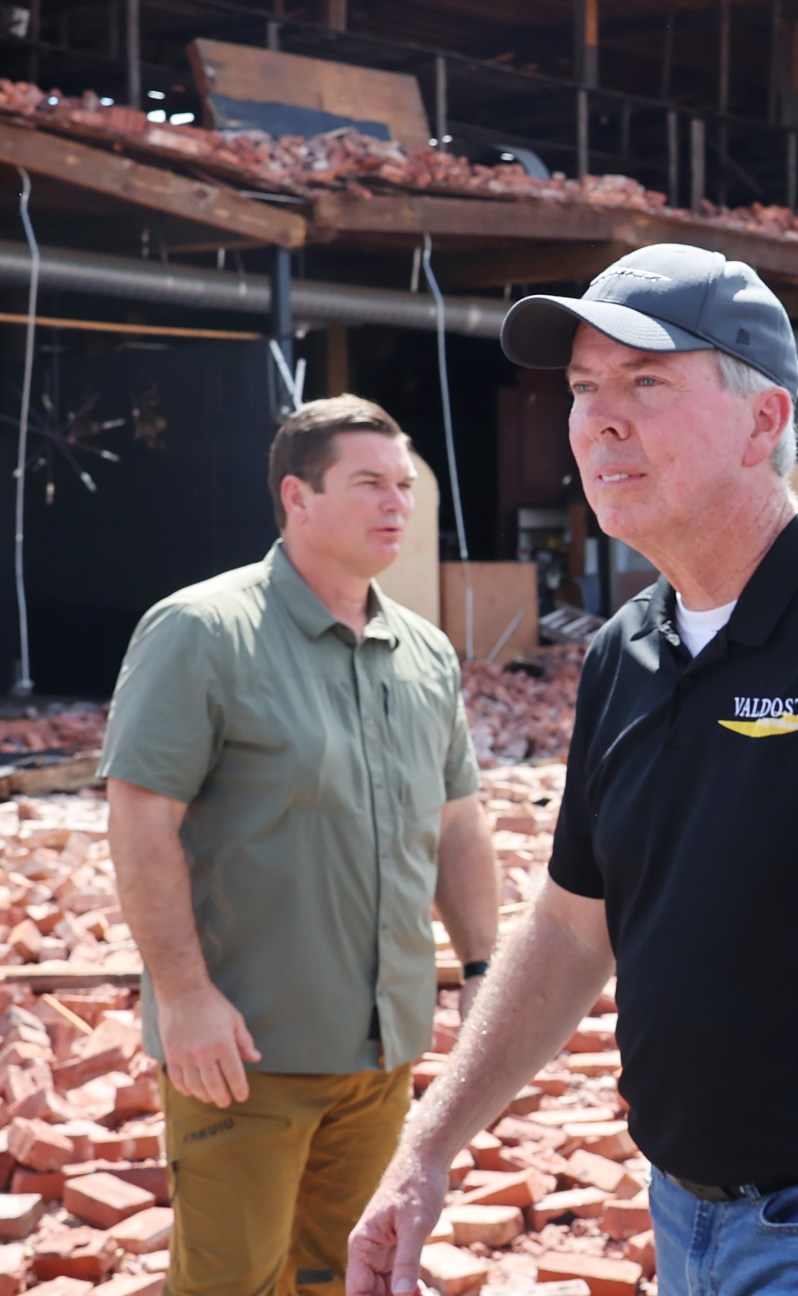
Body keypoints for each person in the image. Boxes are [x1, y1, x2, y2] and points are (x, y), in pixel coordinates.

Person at [345, 245, 798, 1296]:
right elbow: (577, 926)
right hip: (685, 1217)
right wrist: (430, 1144)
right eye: (583, 388)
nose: (598, 420)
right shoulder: (628, 651)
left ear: (765, 421)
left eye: (647, 382)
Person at [100, 396, 496, 1296]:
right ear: (296, 496)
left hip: (382, 1055)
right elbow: (139, 818)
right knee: (232, 1284)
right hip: (245, 1056)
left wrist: (482, 975)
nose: (396, 504)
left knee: (349, 1277)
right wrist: (184, 994)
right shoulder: (202, 632)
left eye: (404, 485)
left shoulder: (425, 654)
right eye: (368, 484)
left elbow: (459, 825)